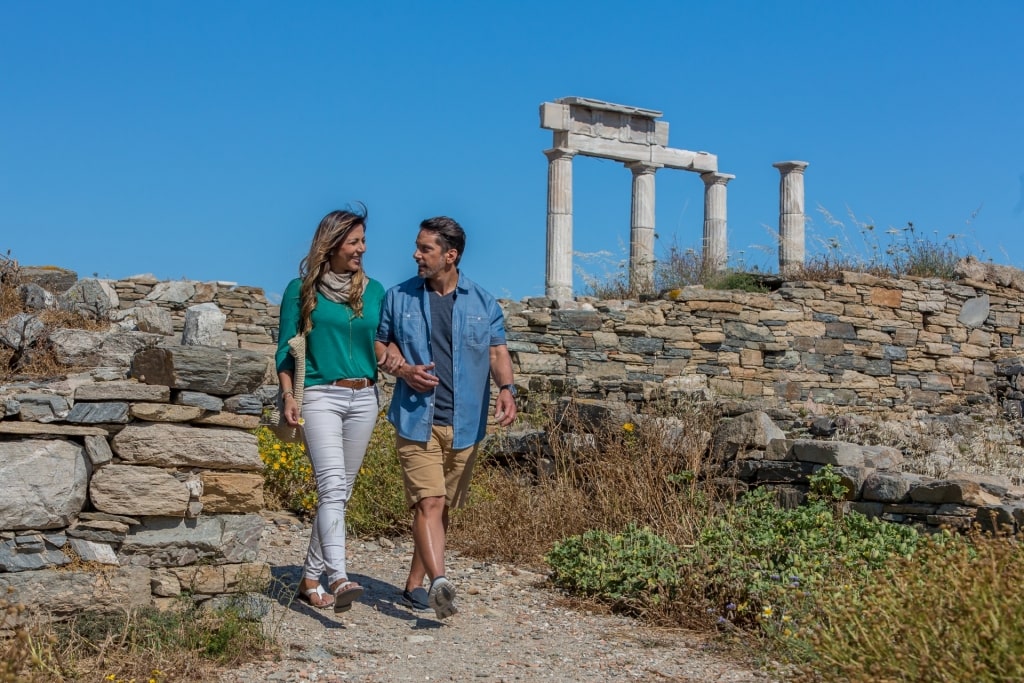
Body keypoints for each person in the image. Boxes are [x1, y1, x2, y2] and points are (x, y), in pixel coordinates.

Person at [375, 215, 517, 619]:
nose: (415, 255)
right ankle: (440, 583)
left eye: (425, 249)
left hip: (467, 424)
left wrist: (507, 389)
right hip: (415, 418)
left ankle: (415, 584)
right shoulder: (398, 297)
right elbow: (378, 344)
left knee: (442, 507)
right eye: (418, 247)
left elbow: (496, 351)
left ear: (450, 255)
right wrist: (402, 370)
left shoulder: (483, 301)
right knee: (430, 502)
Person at [277, 206, 384, 614]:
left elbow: (382, 343)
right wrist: (289, 396)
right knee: (333, 486)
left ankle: (309, 577)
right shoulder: (300, 290)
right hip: (320, 395)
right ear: (333, 243)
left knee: (340, 492)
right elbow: (285, 349)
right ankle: (339, 577)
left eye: (363, 241)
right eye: (355, 241)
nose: (362, 248)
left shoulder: (374, 292)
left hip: (365, 397)